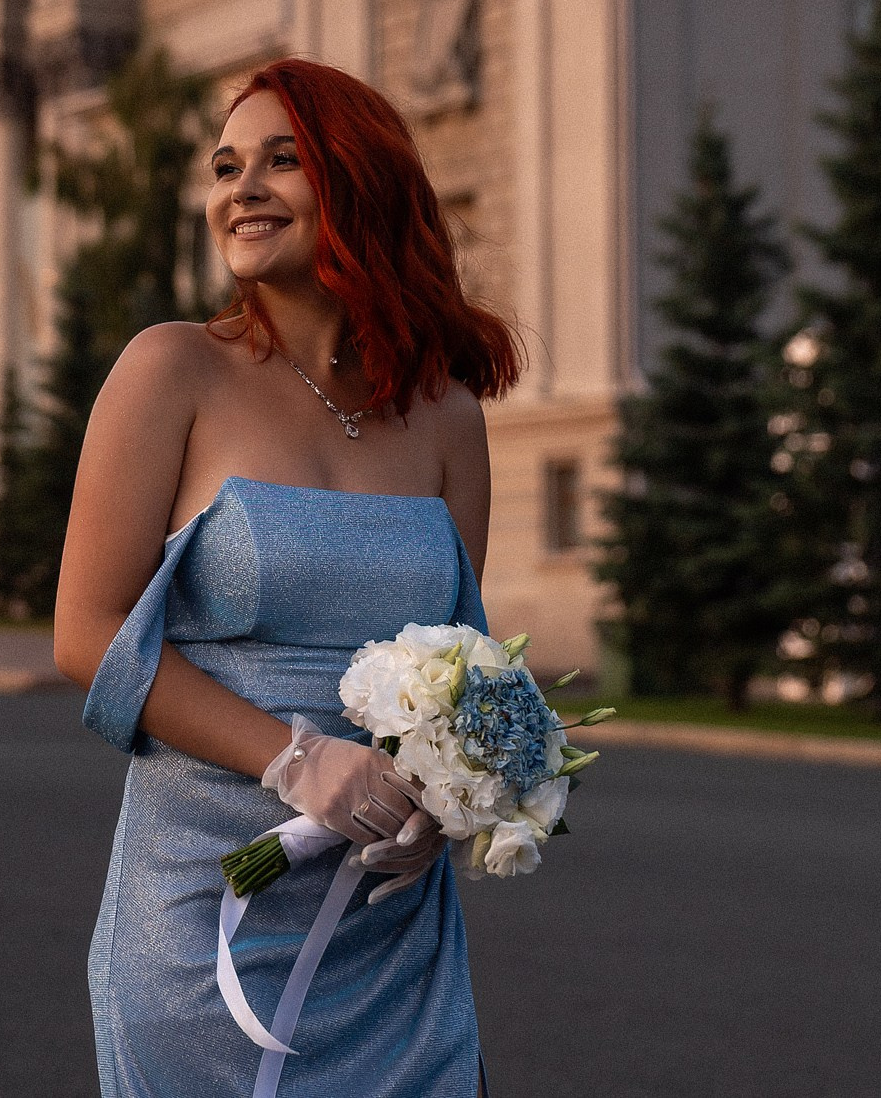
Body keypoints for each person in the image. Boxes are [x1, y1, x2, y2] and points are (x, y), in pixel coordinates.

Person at [54, 57, 521, 1097]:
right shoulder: (171, 369)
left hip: (384, 926)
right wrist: (295, 758)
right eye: (225, 167)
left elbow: (458, 667)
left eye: (280, 160)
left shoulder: (446, 415)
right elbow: (87, 632)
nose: (241, 188)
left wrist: (444, 799)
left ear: (358, 180)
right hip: (203, 911)